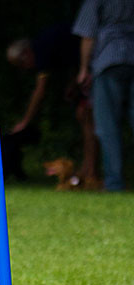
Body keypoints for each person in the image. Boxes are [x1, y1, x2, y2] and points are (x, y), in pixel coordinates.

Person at [7, 24, 99, 184]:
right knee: (84, 116)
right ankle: (88, 169)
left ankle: (90, 172)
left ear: (26, 53)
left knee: (86, 116)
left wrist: (25, 122)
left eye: (22, 64)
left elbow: (40, 91)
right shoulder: (47, 44)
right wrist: (73, 84)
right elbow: (74, 58)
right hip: (92, 64)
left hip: (98, 61)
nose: (25, 68)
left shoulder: (41, 50)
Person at [73, 0, 134, 192]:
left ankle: (114, 183)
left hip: (108, 61)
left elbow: (87, 34)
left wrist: (83, 68)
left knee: (107, 126)